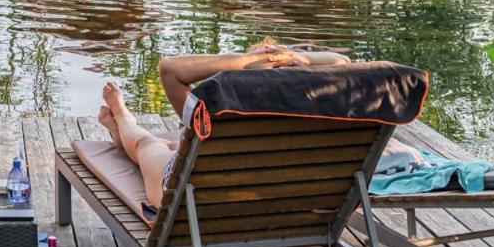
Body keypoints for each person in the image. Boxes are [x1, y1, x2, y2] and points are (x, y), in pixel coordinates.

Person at [100, 42, 351, 209]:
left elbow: (169, 68)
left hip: (204, 203)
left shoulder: (230, 112)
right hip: (285, 202)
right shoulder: (310, 113)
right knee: (176, 145)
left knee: (148, 145)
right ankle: (123, 132)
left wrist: (248, 60)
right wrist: (299, 59)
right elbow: (343, 62)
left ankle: (123, 118)